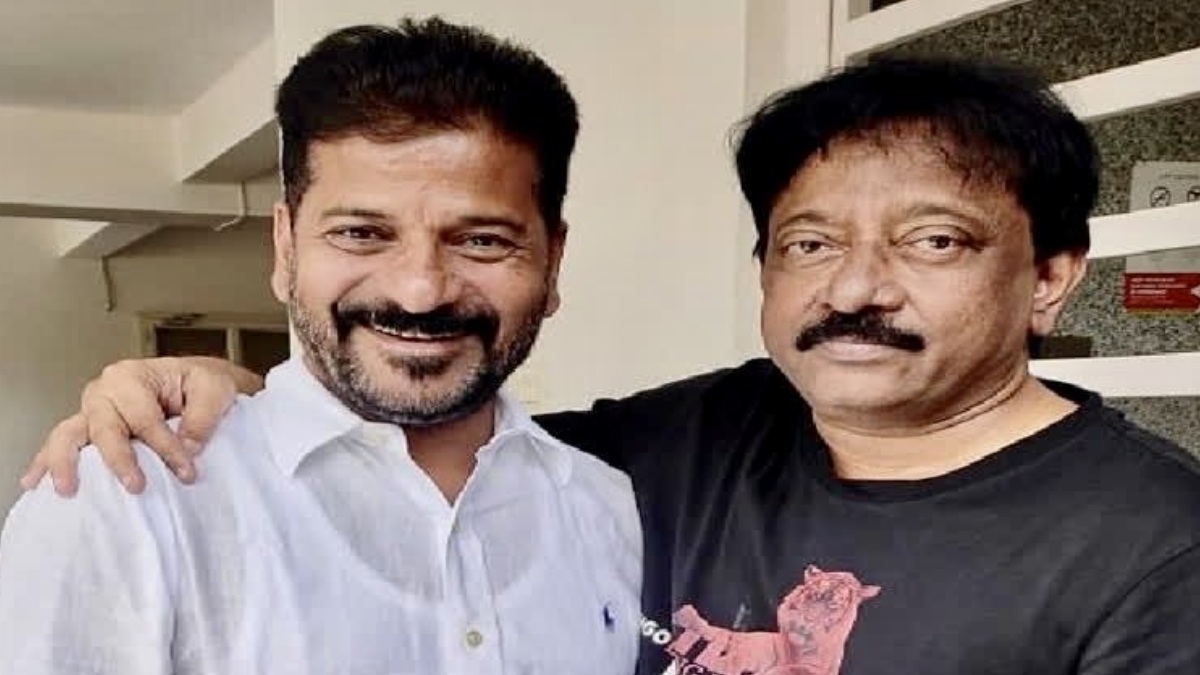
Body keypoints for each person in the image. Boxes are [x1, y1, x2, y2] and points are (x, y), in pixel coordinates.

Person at [20, 56, 1200, 675]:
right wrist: (219, 389)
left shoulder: (1155, 545)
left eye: (933, 242)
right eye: (809, 244)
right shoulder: (673, 448)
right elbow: (427, 421)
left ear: (1051, 276)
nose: (855, 291)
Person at [0, 18, 642, 675]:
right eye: (361, 233)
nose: (420, 291)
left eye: (482, 241)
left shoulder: (610, 509)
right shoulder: (126, 505)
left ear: (552, 262)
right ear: (285, 248)